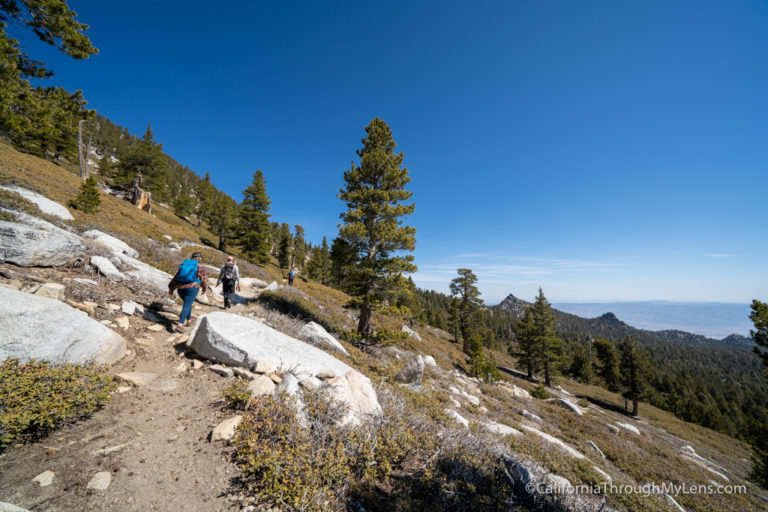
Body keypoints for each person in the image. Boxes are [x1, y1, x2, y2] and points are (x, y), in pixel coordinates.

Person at [168, 252, 207, 332]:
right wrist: (204, 288)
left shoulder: (184, 264)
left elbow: (176, 277)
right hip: (192, 288)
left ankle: (189, 321)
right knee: (187, 305)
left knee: (187, 304)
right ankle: (180, 324)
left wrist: (171, 288)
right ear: (199, 258)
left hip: (180, 289)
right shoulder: (200, 266)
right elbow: (204, 279)